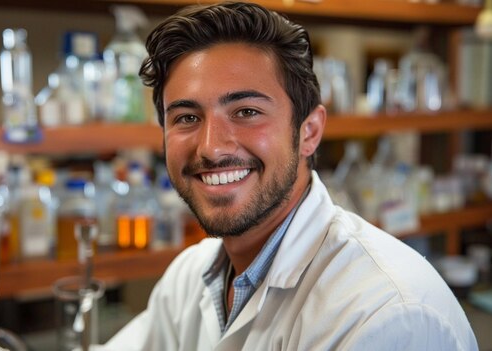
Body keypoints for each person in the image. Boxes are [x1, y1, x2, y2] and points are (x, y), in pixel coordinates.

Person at [102, 2, 477, 350]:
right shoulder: (192, 275)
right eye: (186, 118)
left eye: (246, 112)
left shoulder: (387, 313)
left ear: (309, 132)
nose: (211, 148)